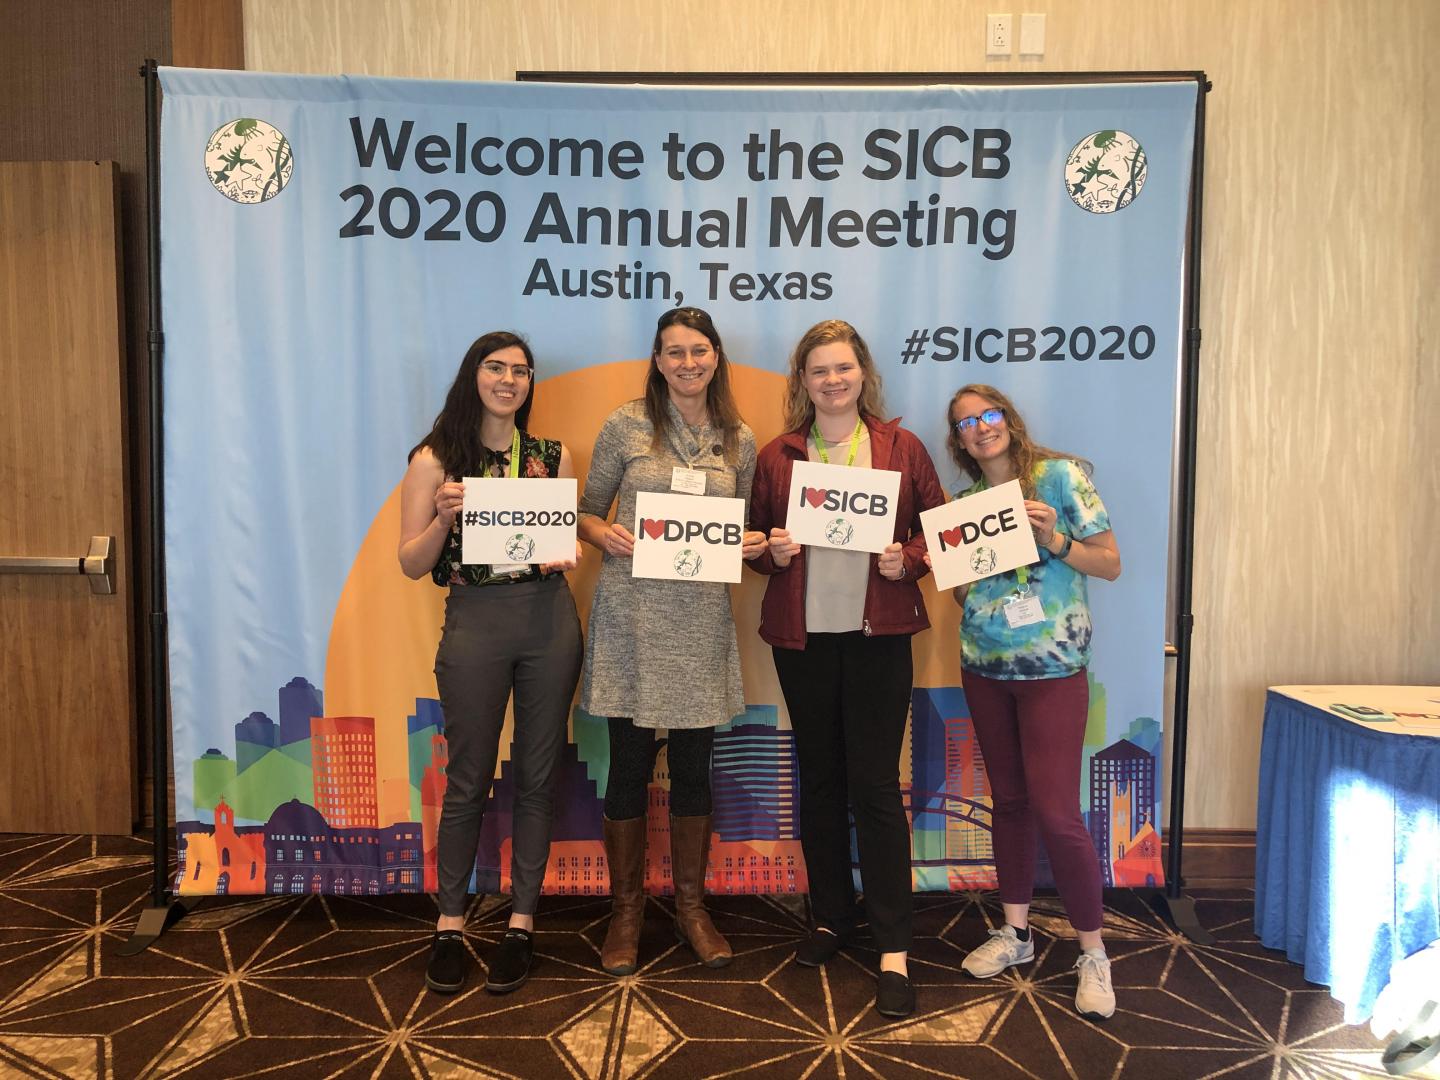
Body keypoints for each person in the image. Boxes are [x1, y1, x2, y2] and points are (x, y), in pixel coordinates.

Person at [747, 319, 946, 1019]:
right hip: (803, 639)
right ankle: (832, 917)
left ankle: (893, 943)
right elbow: (751, 541)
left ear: (863, 373)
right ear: (802, 381)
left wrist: (910, 559)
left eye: (843, 368)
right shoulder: (778, 455)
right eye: (818, 370)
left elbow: (940, 528)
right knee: (821, 782)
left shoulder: (900, 447)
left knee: (875, 788)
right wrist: (767, 550)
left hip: (877, 635)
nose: (832, 380)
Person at [576, 307, 765, 976]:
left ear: (716, 357)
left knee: (693, 771)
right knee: (628, 769)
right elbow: (585, 512)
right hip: (632, 619)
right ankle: (626, 912)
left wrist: (753, 544)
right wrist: (604, 534)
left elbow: (741, 533)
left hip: (699, 625)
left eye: (699, 350)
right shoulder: (624, 425)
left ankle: (690, 907)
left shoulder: (740, 439)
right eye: (674, 352)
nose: (687, 362)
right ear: (657, 360)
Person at [398, 331, 583, 996]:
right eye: (497, 367)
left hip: (548, 618)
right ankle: (450, 924)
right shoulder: (436, 460)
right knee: (468, 777)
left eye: (521, 371)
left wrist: (566, 551)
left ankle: (522, 923)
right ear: (473, 374)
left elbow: (560, 545)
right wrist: (445, 518)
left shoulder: (552, 456)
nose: (509, 379)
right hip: (474, 619)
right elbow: (411, 563)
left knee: (538, 774)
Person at [940, 382, 1122, 1021]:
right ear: (958, 440)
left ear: (1009, 420)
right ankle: (1015, 933)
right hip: (985, 670)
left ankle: (1093, 951)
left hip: (1053, 671)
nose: (980, 428)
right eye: (966, 423)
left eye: (988, 415)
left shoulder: (1061, 478)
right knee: (1009, 802)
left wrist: (1057, 544)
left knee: (1057, 811)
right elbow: (963, 594)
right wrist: (968, 585)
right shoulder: (964, 506)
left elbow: (1110, 563)